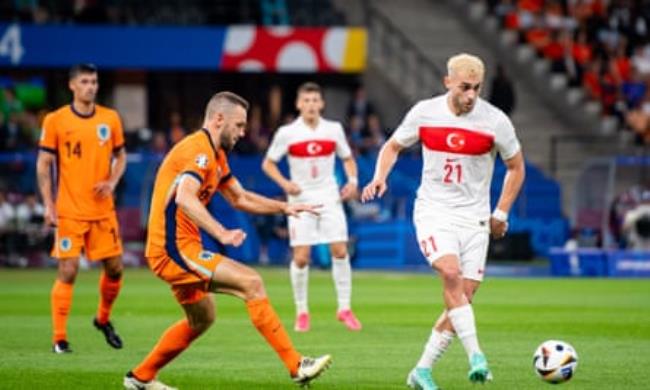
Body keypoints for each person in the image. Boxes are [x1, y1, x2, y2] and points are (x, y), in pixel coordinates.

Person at [123, 91, 331, 390]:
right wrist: (220, 233)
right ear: (219, 119)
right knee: (252, 282)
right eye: (240, 125)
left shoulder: (216, 155)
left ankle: (140, 378)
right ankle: (297, 365)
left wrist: (284, 207)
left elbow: (240, 197)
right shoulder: (199, 151)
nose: (243, 132)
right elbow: (184, 197)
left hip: (182, 247)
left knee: (202, 319)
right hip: (172, 250)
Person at [362, 53, 525, 390]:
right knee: (450, 274)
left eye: (476, 89)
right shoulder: (425, 113)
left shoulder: (495, 121)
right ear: (447, 82)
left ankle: (421, 370)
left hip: (475, 218)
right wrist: (380, 177)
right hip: (434, 211)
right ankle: (477, 356)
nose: (470, 96)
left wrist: (501, 212)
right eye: (464, 87)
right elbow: (392, 146)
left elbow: (516, 167)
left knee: (462, 297)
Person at [37, 63, 127, 354]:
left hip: (103, 210)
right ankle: (59, 339)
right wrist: (49, 205)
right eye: (85, 81)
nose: (91, 86)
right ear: (72, 85)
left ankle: (102, 319)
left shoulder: (110, 119)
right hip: (70, 211)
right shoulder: (56, 120)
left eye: (95, 81)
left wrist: (112, 182)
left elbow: (121, 156)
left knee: (115, 269)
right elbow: (44, 165)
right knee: (69, 269)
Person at [262, 82, 362, 332]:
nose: (311, 105)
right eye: (306, 100)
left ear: (322, 104)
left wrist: (352, 182)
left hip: (329, 195)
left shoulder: (333, 129)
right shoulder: (287, 133)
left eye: (315, 100)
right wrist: (286, 183)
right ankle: (302, 312)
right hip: (300, 199)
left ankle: (345, 308)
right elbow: (268, 164)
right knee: (302, 257)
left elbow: (347, 158)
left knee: (340, 250)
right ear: (298, 104)